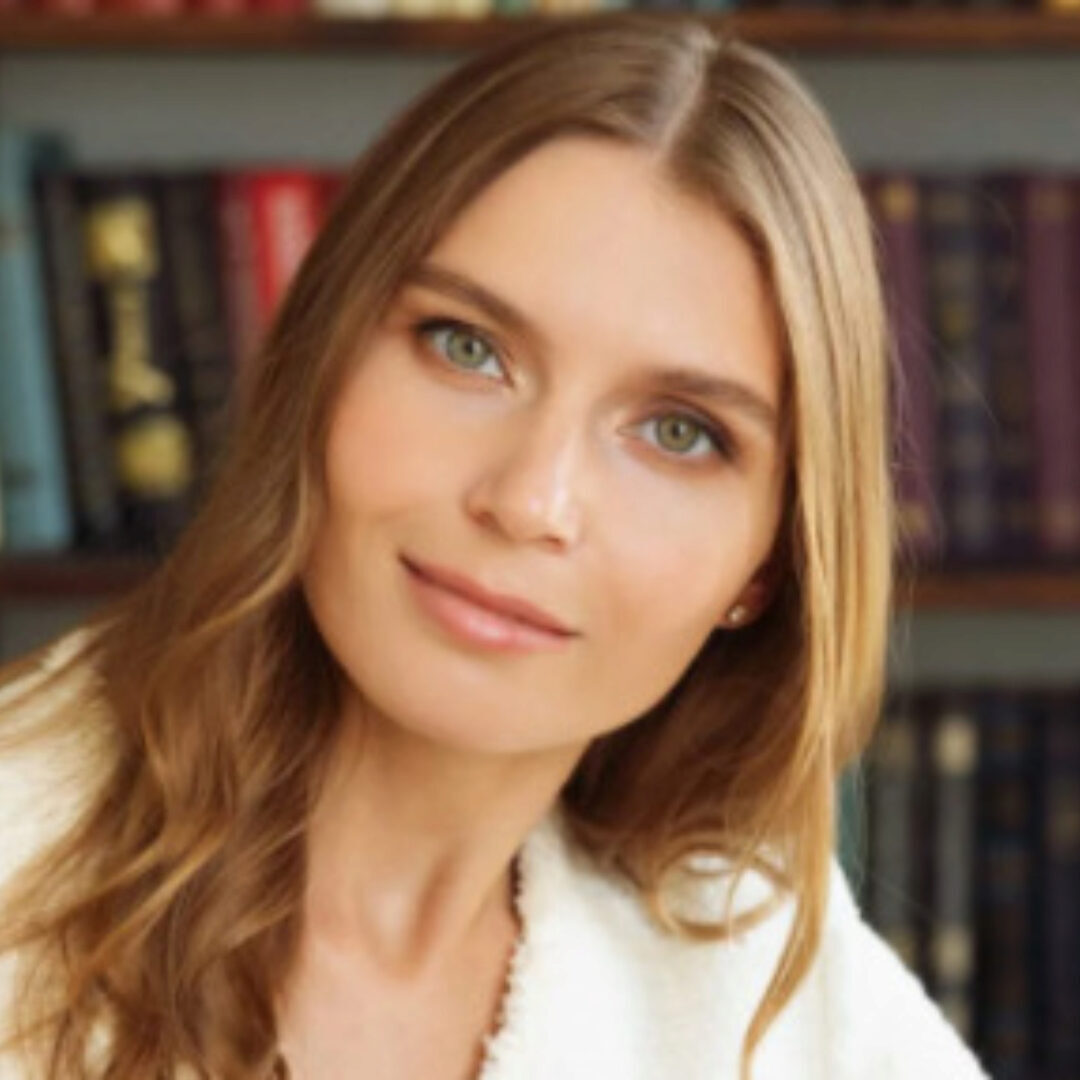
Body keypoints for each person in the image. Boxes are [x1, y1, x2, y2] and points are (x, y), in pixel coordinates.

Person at [0, 13, 989, 1080]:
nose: (530, 501)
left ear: (767, 565)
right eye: (467, 348)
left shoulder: (767, 980)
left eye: (679, 433)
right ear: (318, 364)